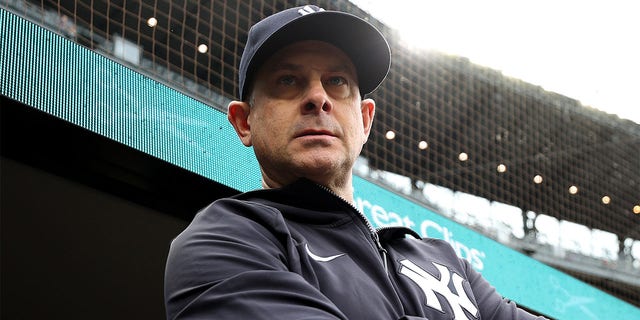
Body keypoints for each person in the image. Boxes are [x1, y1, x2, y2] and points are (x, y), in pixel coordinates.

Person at [164, 5, 547, 320]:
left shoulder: (447, 264)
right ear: (244, 123)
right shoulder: (224, 239)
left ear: (364, 120)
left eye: (337, 81)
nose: (317, 98)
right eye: (286, 81)